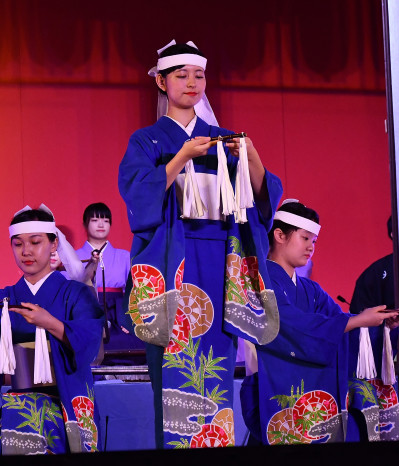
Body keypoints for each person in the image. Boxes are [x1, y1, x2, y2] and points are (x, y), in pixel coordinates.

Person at [118, 40, 282, 448]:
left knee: (218, 368)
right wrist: (181, 158)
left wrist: (252, 153)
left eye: (199, 75)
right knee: (172, 367)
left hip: (217, 263)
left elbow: (263, 200)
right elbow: (138, 198)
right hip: (173, 261)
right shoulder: (147, 141)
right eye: (180, 75)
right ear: (160, 81)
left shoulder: (223, 138)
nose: (192, 83)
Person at [241, 201, 399, 445]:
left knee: (358, 411)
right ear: (280, 235)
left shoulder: (311, 290)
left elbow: (340, 325)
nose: (310, 247)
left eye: (313, 241)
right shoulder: (259, 282)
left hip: (313, 384)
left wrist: (379, 326)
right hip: (273, 384)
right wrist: (357, 320)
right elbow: (292, 326)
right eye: (305, 238)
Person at [0, 206, 104, 455]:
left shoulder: (76, 295)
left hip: (63, 404)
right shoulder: (3, 298)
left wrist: (50, 322)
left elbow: (89, 343)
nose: (26, 251)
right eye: (18, 244)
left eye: (35, 242)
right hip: (15, 404)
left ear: (54, 245)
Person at [347, 216, 399, 441]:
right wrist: (386, 326)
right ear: (393, 234)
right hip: (385, 363)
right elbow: (358, 324)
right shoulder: (375, 273)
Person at [75, 202, 142, 364]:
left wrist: (131, 319)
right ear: (85, 224)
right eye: (95, 220)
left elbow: (134, 292)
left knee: (135, 345)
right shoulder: (74, 257)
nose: (101, 224)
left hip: (117, 310)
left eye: (105, 220)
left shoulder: (124, 256)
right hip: (87, 308)